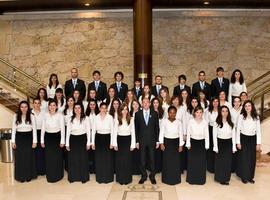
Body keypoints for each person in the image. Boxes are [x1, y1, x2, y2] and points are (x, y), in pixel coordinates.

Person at [135, 98, 160, 184]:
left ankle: (152, 176)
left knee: (152, 159)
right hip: (141, 140)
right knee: (142, 159)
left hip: (152, 140)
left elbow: (157, 128)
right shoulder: (137, 114)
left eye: (147, 102)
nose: (145, 104)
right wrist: (137, 141)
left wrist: (157, 141)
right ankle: (144, 176)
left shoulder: (155, 113)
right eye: (144, 102)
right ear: (142, 104)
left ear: (150, 104)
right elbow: (136, 129)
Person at [236, 100, 261, 184]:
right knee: (244, 158)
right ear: (244, 107)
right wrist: (238, 142)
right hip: (243, 138)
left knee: (251, 158)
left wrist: (258, 143)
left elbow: (258, 131)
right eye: (246, 106)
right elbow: (238, 130)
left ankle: (250, 177)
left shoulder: (256, 116)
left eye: (249, 106)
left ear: (252, 107)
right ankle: (244, 176)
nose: (247, 107)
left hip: (253, 139)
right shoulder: (241, 116)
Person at [11, 101, 37, 182]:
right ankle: (21, 176)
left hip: (29, 138)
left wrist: (34, 141)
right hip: (19, 139)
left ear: (28, 107)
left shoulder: (32, 116)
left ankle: (28, 175)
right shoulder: (15, 116)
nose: (24, 109)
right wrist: (13, 141)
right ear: (19, 107)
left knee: (28, 158)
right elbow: (14, 129)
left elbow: (34, 130)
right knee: (20, 158)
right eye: (22, 107)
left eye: (25, 107)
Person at [41, 99, 65, 183]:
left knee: (57, 157)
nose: (52, 107)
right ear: (48, 107)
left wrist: (62, 141)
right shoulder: (45, 115)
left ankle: (58, 175)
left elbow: (62, 129)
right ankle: (50, 175)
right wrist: (42, 140)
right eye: (50, 105)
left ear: (56, 106)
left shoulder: (60, 115)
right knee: (49, 157)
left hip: (57, 137)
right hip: (48, 137)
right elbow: (43, 128)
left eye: (54, 105)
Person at [66, 103, 91, 183]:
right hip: (73, 139)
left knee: (83, 159)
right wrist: (67, 143)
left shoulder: (86, 118)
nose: (77, 110)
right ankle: (73, 177)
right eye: (75, 108)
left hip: (83, 139)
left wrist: (88, 143)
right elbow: (68, 132)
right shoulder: (70, 119)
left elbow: (88, 131)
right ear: (73, 109)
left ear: (82, 109)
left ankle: (83, 177)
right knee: (73, 159)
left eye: (79, 108)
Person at [159, 106, 184, 185]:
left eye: (174, 113)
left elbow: (180, 133)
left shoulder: (179, 122)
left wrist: (180, 145)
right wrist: (161, 143)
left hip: (176, 143)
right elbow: (161, 132)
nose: (172, 114)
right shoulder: (164, 121)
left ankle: (175, 179)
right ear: (168, 113)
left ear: (176, 113)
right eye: (170, 112)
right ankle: (166, 179)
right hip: (167, 142)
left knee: (175, 161)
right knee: (167, 161)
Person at [91, 103, 115, 183]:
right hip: (98, 138)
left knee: (108, 159)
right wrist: (92, 143)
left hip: (108, 138)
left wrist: (112, 142)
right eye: (102, 108)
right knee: (99, 159)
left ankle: (108, 178)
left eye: (105, 108)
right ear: (99, 108)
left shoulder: (110, 117)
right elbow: (93, 130)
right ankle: (100, 178)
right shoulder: (96, 117)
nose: (103, 110)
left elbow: (112, 131)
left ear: (107, 109)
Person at [113, 103, 136, 185]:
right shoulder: (117, 118)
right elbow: (114, 131)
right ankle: (120, 179)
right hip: (119, 140)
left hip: (128, 140)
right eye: (123, 109)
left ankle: (127, 179)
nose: (124, 111)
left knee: (127, 160)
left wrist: (133, 144)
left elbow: (133, 132)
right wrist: (114, 143)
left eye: (126, 109)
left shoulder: (131, 119)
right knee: (120, 161)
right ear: (120, 110)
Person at [213, 105, 236, 185]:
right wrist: (215, 146)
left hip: (228, 143)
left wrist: (233, 146)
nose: (225, 113)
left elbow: (233, 136)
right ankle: (219, 178)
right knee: (220, 162)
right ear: (220, 112)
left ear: (228, 112)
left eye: (226, 111)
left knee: (227, 162)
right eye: (223, 111)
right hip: (220, 143)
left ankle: (226, 178)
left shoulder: (231, 123)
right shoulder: (216, 123)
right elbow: (214, 136)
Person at [186, 106, 209, 185]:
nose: (199, 114)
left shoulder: (205, 122)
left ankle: (200, 180)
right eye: (197, 112)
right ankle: (191, 179)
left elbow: (207, 135)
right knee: (192, 161)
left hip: (201, 143)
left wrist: (207, 145)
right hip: (193, 142)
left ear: (202, 113)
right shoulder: (191, 121)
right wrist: (188, 143)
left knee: (201, 161)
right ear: (194, 113)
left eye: (200, 112)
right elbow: (188, 133)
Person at [31, 98, 46, 176]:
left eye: (38, 103)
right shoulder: (30, 113)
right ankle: (35, 170)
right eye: (35, 103)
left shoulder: (44, 113)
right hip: (33, 133)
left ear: (40, 104)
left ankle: (42, 170)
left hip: (42, 132)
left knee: (42, 152)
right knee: (34, 153)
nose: (37, 105)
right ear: (33, 104)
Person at [204, 98, 219, 173]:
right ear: (211, 102)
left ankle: (217, 166)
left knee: (217, 147)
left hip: (219, 129)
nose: (215, 103)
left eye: (217, 101)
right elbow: (206, 122)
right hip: (210, 129)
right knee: (211, 149)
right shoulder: (208, 110)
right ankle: (210, 167)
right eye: (214, 101)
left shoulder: (221, 110)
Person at [85, 99, 99, 173]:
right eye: (91, 104)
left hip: (96, 135)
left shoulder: (98, 114)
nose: (92, 106)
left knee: (95, 152)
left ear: (96, 105)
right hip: (88, 134)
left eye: (94, 104)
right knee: (89, 152)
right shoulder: (86, 114)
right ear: (88, 105)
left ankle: (95, 168)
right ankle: (90, 169)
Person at [63, 96, 75, 171]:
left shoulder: (77, 109)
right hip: (66, 129)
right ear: (67, 102)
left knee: (73, 149)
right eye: (68, 101)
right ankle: (67, 166)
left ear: (74, 101)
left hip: (74, 131)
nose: (70, 102)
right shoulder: (65, 111)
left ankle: (74, 165)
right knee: (67, 148)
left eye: (71, 100)